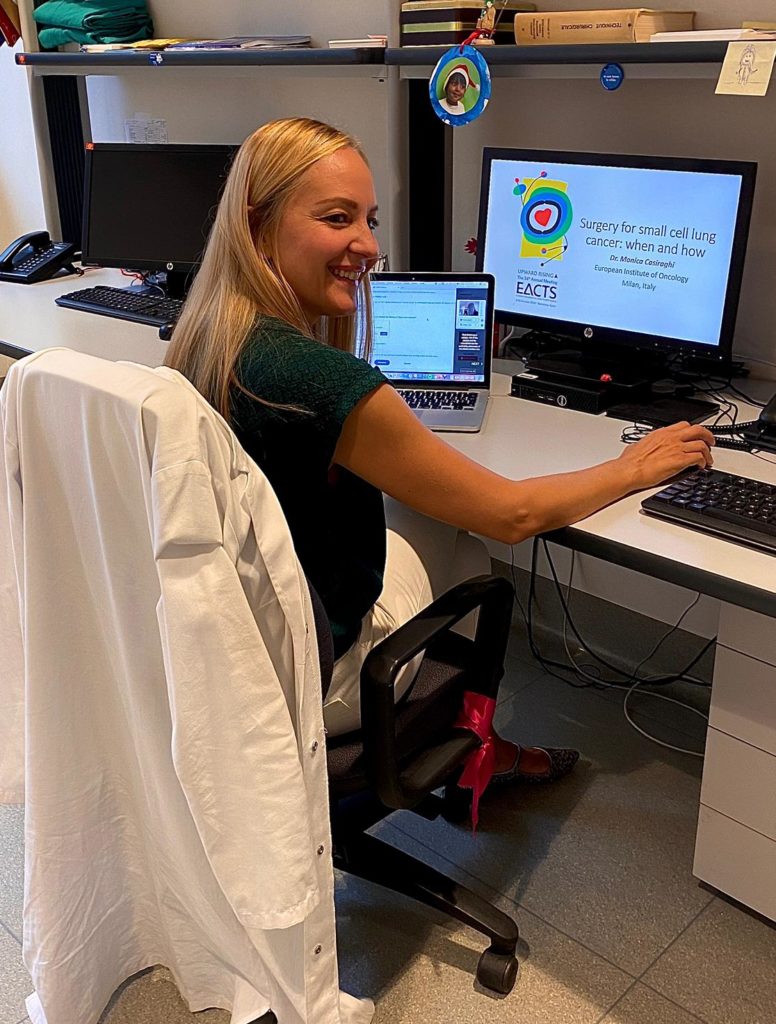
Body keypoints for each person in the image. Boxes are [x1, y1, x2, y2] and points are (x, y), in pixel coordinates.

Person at [165, 117, 715, 787]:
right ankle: (477, 752)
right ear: (257, 226)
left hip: (230, 658)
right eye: (338, 218)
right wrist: (632, 467)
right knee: (472, 543)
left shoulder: (204, 339)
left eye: (369, 219)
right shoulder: (315, 377)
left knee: (448, 531)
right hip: (315, 678)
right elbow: (512, 514)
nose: (368, 245)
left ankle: (471, 750)